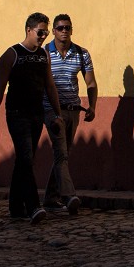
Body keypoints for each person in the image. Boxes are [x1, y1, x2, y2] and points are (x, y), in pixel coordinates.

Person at [0, 13, 64, 224]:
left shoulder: (43, 56)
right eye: (40, 32)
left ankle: (15, 206)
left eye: (46, 33)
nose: (43, 36)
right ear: (29, 30)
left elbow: (50, 86)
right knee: (26, 157)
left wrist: (57, 114)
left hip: (36, 114)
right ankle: (33, 206)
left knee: (24, 160)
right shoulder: (11, 55)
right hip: (17, 114)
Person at [42, 13, 98, 213]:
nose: (64, 31)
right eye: (60, 28)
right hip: (51, 111)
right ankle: (69, 196)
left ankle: (50, 198)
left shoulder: (82, 54)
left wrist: (92, 106)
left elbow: (90, 83)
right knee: (61, 153)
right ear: (54, 31)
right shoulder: (44, 53)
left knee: (63, 155)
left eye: (67, 27)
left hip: (73, 111)